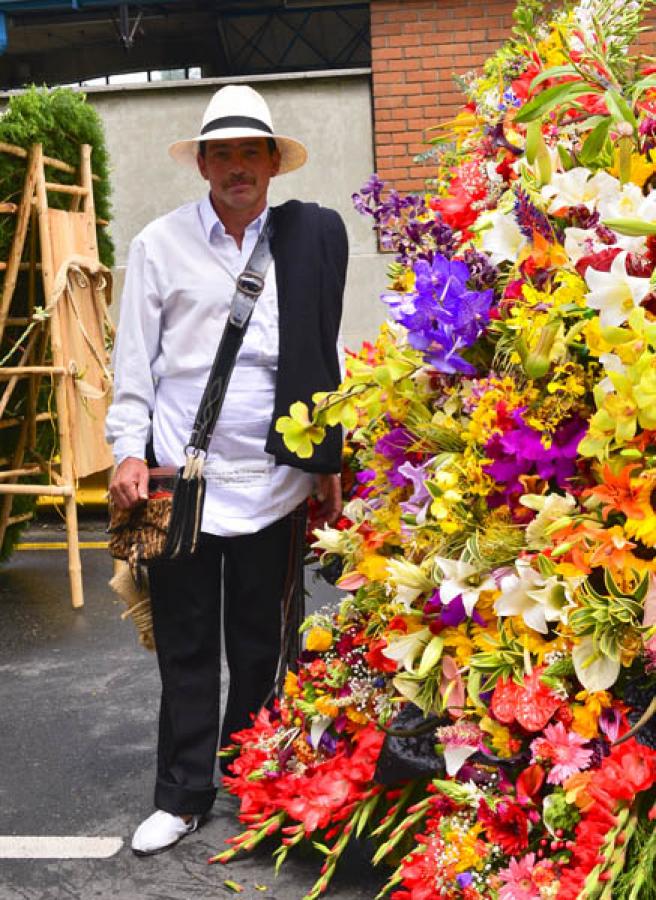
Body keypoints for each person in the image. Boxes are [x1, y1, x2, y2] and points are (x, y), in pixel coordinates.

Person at [106, 84, 348, 856]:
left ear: (274, 163)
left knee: (259, 643)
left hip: (275, 484)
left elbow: (321, 352)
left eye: (252, 151)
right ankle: (180, 797)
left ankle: (248, 779)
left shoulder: (305, 240)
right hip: (181, 484)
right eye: (223, 153)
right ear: (202, 164)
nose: (238, 166)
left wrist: (326, 458)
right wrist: (126, 448)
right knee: (184, 646)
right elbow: (135, 360)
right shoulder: (159, 244)